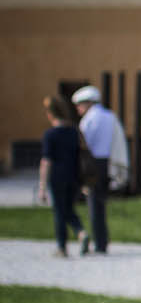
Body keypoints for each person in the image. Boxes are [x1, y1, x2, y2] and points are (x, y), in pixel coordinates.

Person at [70, 85, 127, 255]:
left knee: (94, 203)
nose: (78, 109)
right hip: (106, 164)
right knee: (100, 203)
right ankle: (102, 240)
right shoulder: (110, 116)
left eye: (79, 105)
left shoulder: (89, 120)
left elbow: (85, 143)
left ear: (87, 103)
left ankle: (99, 243)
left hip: (92, 165)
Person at [35, 95, 85, 257]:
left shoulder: (50, 135)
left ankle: (62, 247)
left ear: (50, 114)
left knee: (59, 211)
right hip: (74, 176)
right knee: (68, 209)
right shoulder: (73, 132)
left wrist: (42, 187)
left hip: (57, 177)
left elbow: (46, 161)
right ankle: (81, 232)